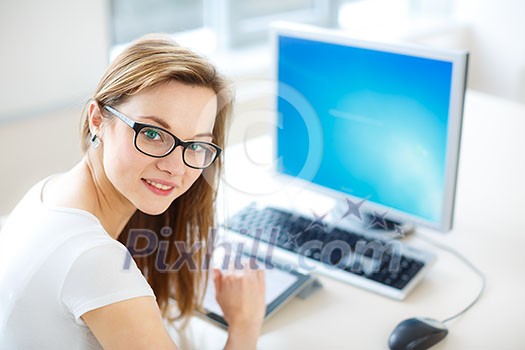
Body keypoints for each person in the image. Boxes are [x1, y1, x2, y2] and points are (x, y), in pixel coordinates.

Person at [0, 34, 266, 349]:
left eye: (195, 145)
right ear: (97, 119)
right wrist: (246, 325)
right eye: (153, 133)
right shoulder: (95, 260)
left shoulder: (52, 190)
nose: (175, 168)